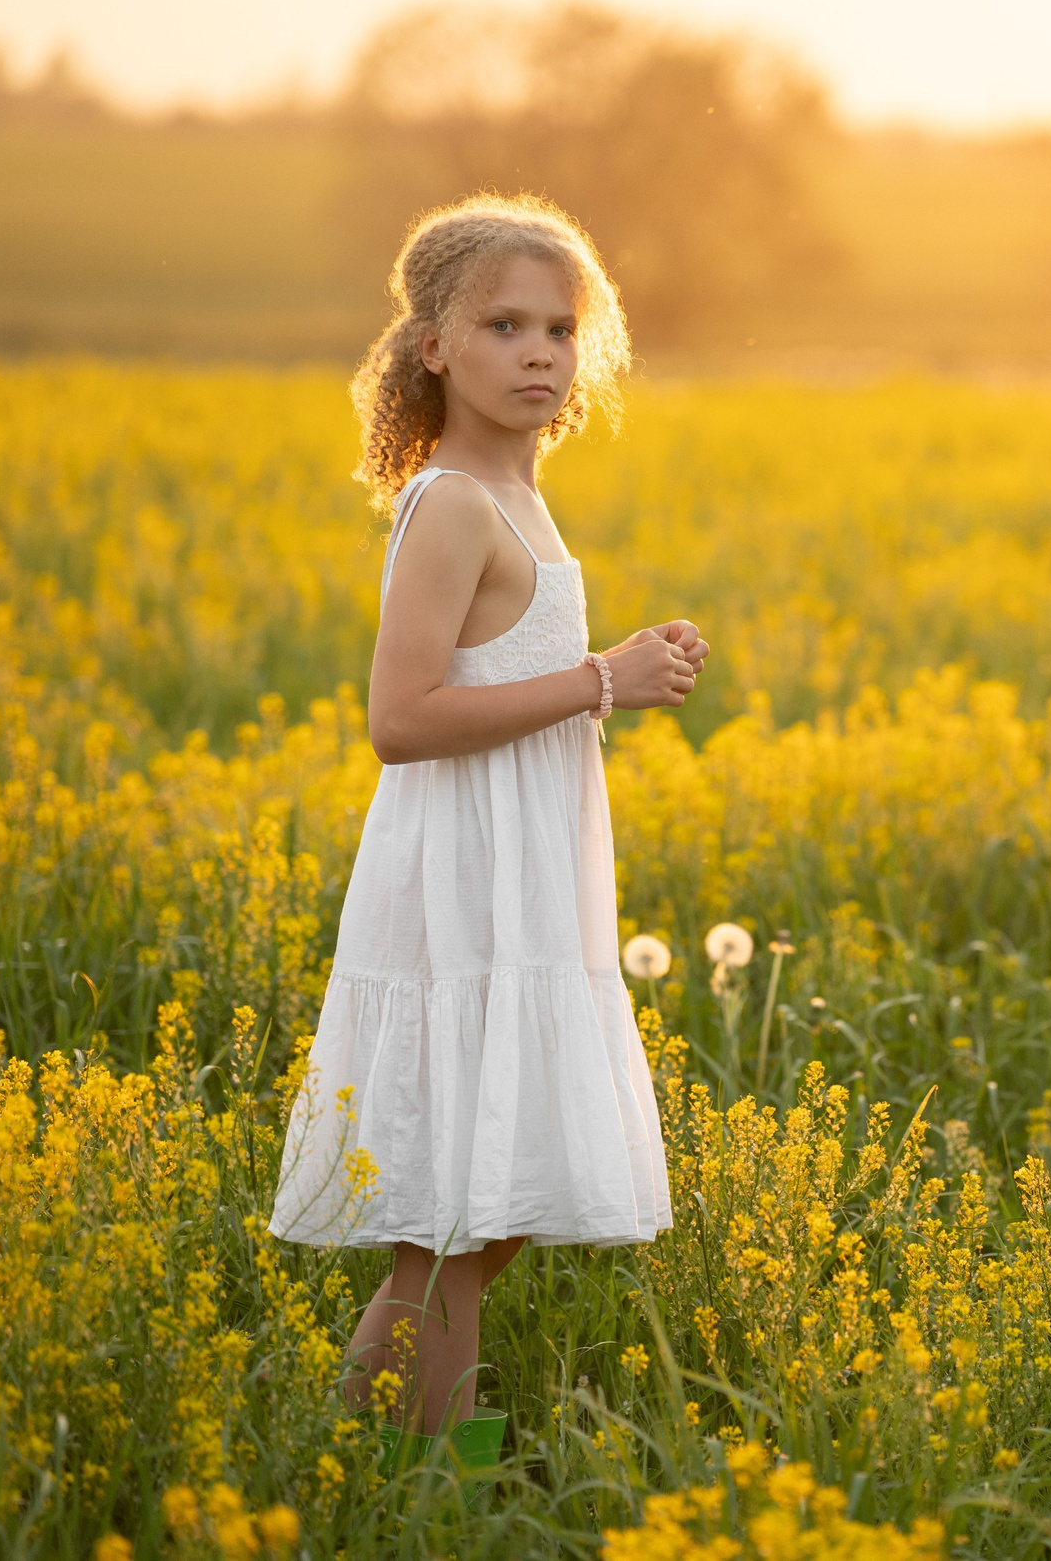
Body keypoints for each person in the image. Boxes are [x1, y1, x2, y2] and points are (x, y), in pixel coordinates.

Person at [269, 193, 697, 1464]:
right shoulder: (452, 501)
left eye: (561, 327)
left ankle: (358, 1458)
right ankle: (427, 1487)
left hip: (518, 879)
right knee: (454, 1225)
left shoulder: (515, 491)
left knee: (482, 1224)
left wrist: (623, 664)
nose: (539, 353)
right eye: (502, 323)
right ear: (433, 346)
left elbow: (509, 669)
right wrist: (603, 679)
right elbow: (401, 718)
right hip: (462, 887)